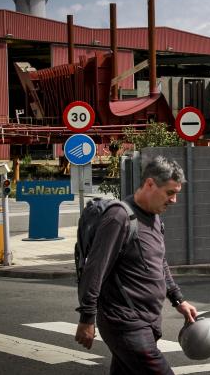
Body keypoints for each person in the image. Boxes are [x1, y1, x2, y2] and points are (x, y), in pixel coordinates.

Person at [76, 155, 198, 375]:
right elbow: (95, 270)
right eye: (170, 193)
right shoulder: (119, 217)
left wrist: (178, 299)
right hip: (124, 323)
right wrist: (87, 318)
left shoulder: (155, 218)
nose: (174, 200)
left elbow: (160, 263)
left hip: (147, 320)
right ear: (150, 184)